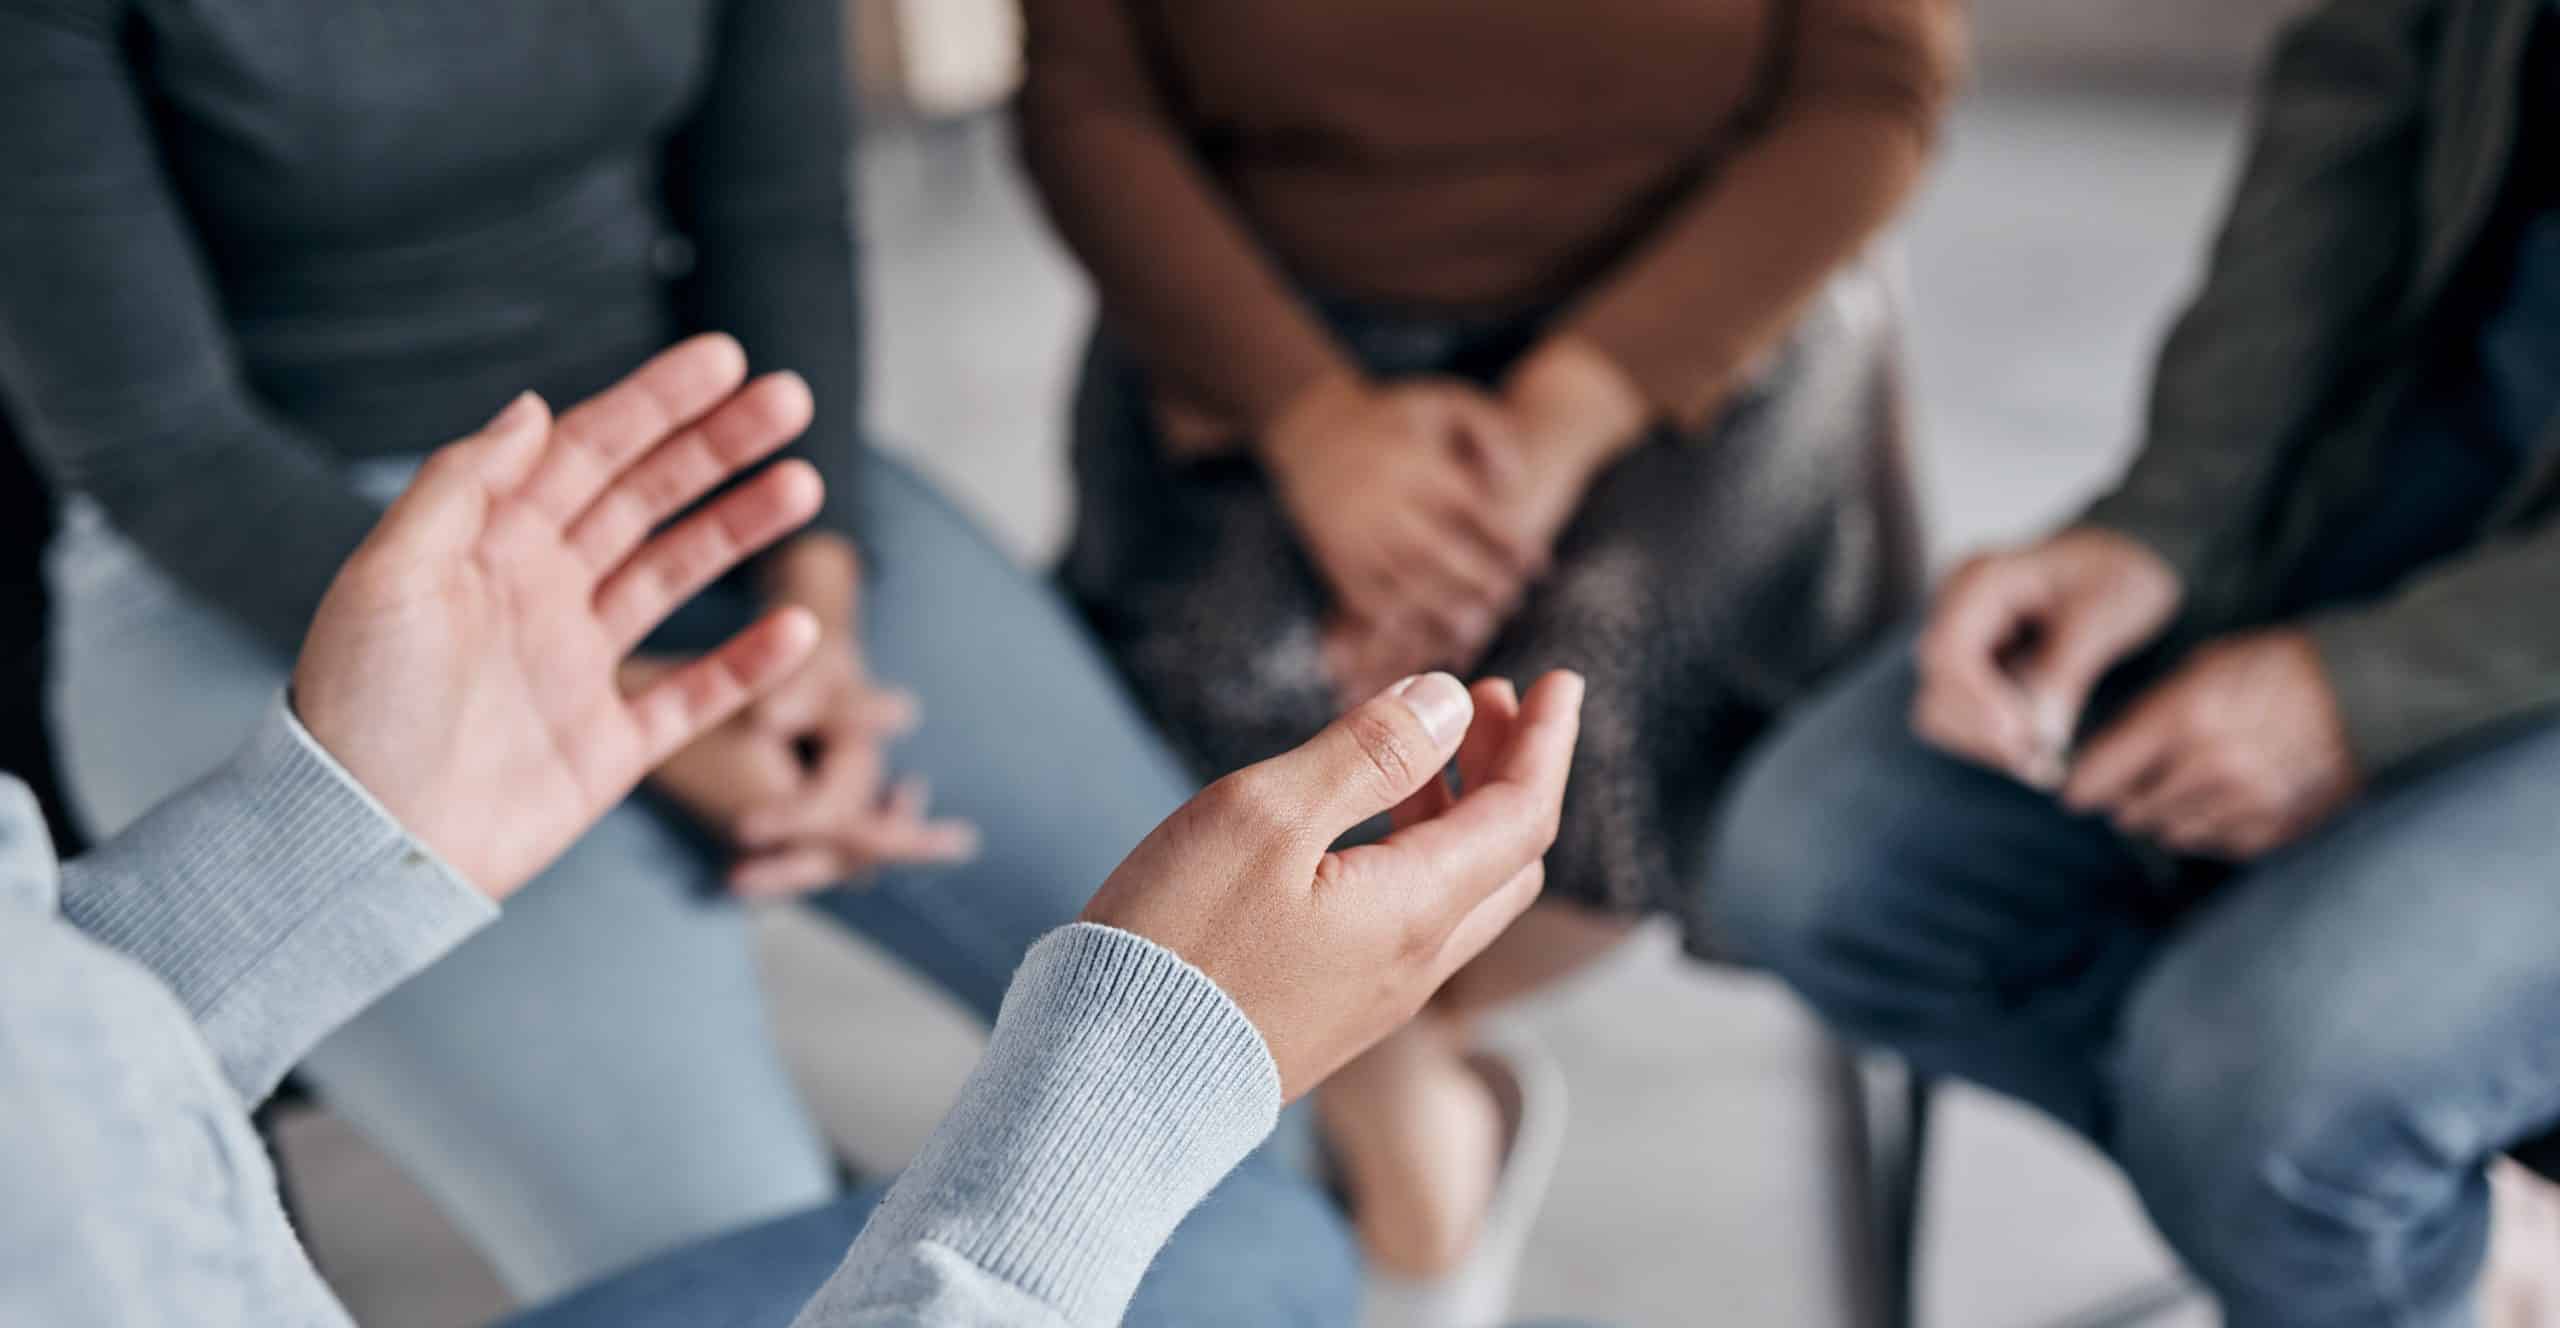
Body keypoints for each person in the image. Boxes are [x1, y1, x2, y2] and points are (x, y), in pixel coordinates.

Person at [0, 0, 1324, 1299]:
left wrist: (815, 612)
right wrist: (670, 719)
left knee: (1242, 1017)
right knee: (735, 1258)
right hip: (259, 552)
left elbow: (777, 215)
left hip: (692, 463)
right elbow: (156, 448)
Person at [0, 337, 1586, 1327]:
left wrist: (320, 842)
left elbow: (48, 1077)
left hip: (666, 550)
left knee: (1260, 1230)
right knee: (1248, 1251)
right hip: (252, 576)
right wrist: (1127, 1086)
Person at [1015, 0, 1961, 1285]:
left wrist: (1570, 412)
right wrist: (1312, 423)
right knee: (1230, 688)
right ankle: (1416, 1167)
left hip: (1695, 311)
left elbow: (1867, 97)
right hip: (1259, 323)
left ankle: (1365, 1107)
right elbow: (1084, 106)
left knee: (1588, 702)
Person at [1707, 1, 2560, 1323]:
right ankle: (2433, 1251)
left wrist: (2373, 692)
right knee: (1825, 863)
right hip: (2422, 470)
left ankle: (2360, 1225)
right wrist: (2164, 527)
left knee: (2268, 1095)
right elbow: (2350, 120)